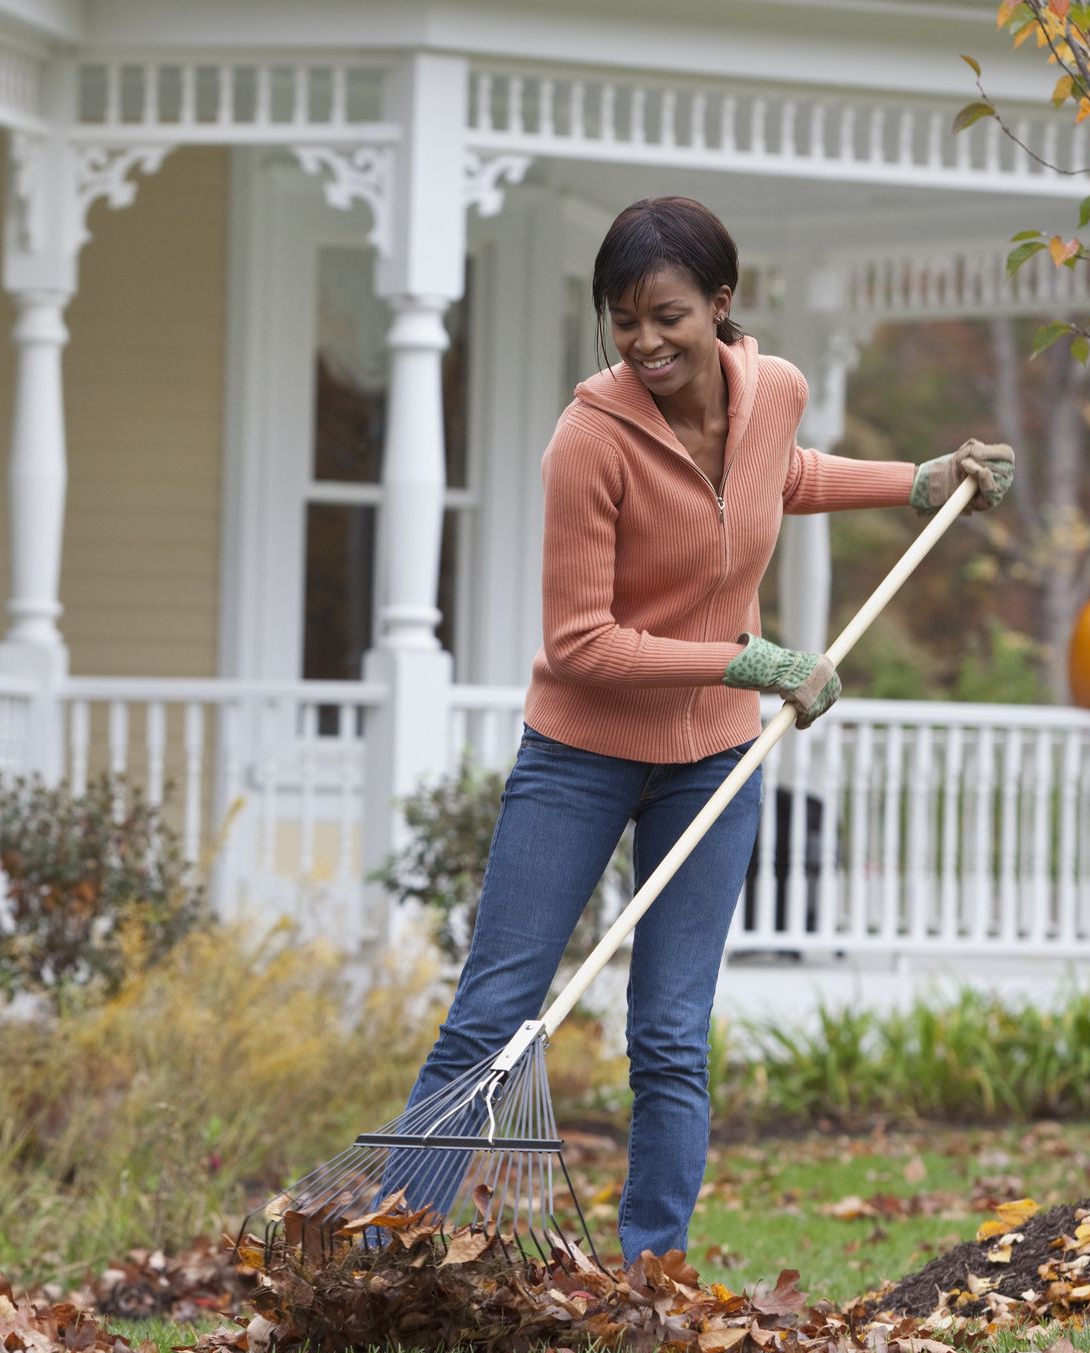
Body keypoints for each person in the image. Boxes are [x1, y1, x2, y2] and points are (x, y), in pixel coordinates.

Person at [390, 196, 1015, 1266]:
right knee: (495, 1009)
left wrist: (915, 483)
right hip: (582, 751)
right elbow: (582, 641)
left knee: (671, 1035)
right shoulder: (590, 440)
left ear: (721, 306)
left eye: (667, 315)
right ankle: (384, 1245)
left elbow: (775, 478)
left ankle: (652, 1273)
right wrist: (749, 660)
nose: (643, 342)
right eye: (622, 320)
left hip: (714, 757)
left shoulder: (775, 393)